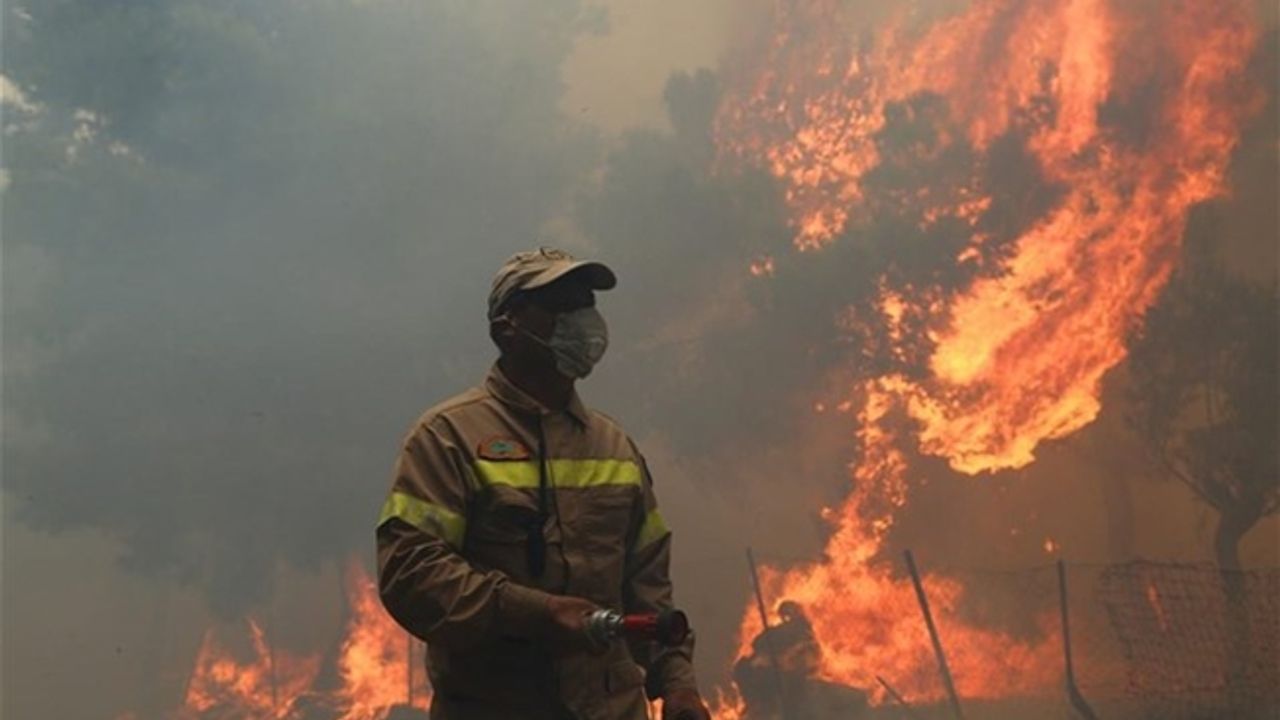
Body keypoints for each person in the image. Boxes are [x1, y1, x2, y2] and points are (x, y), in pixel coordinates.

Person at [376, 248, 711, 720]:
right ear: (506, 327)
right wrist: (535, 612)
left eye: (587, 304)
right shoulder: (448, 437)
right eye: (560, 305)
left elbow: (648, 587)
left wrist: (677, 686)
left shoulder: (615, 446)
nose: (584, 321)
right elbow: (411, 575)